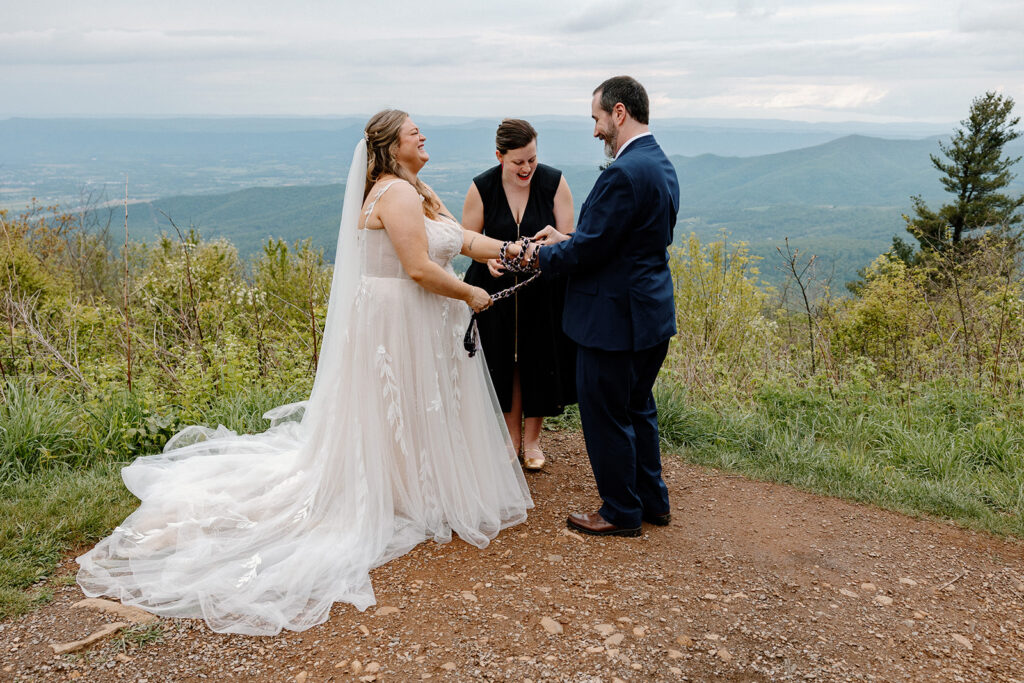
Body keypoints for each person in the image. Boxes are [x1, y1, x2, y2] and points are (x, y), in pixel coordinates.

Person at [76, 109, 534, 636]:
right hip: (399, 317)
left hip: (412, 315)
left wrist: (518, 251)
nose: (423, 136)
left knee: (413, 404)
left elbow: (461, 241)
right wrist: (471, 292)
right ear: (390, 146)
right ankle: (403, 490)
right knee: (399, 403)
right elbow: (418, 267)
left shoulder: (417, 188)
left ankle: (411, 483)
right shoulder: (397, 194)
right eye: (414, 132)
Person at [526, 76, 679, 537]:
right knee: (637, 410)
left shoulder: (621, 173)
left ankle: (619, 511)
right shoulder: (660, 164)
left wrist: (538, 254)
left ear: (618, 112)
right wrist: (569, 237)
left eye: (596, 119)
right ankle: (653, 502)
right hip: (649, 314)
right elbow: (621, 243)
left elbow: (587, 255)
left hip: (613, 322)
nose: (595, 131)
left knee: (605, 416)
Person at [462, 118, 576, 471]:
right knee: (504, 361)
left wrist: (553, 247)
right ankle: (511, 440)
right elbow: (467, 242)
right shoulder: (481, 187)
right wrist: (488, 258)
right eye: (518, 162)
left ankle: (532, 441)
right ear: (500, 156)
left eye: (531, 160)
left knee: (539, 359)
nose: (526, 168)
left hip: (543, 289)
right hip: (495, 290)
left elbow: (570, 240)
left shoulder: (554, 182)